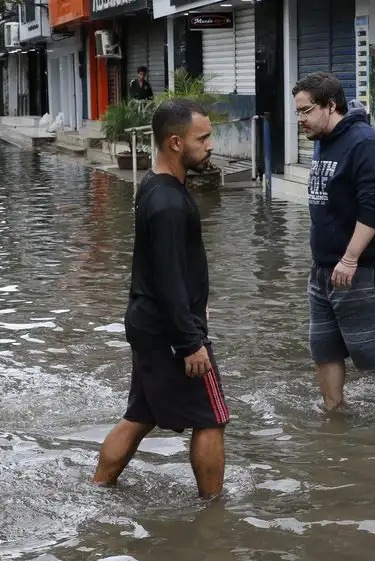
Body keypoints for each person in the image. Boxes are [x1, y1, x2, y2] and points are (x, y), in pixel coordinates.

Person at [91, 99, 228, 499]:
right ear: (175, 143)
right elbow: (168, 278)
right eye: (202, 138)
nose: (210, 145)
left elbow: (167, 267)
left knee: (140, 414)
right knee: (212, 417)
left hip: (150, 323)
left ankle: (98, 489)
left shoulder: (154, 185)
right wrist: (190, 342)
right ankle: (213, 510)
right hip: (170, 332)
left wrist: (197, 299)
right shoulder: (167, 202)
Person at [293, 71, 375, 410]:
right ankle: (333, 415)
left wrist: (350, 258)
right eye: (298, 112)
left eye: (306, 111)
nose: (300, 119)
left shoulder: (364, 143)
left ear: (330, 105)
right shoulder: (322, 139)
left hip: (364, 268)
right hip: (324, 269)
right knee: (325, 349)